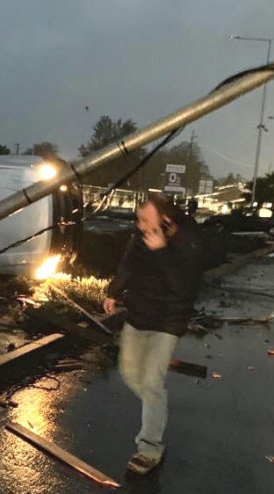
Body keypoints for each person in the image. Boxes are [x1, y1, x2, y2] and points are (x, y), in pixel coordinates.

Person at [103, 194, 202, 475]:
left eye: (146, 219)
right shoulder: (139, 237)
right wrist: (113, 291)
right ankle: (155, 406)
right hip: (139, 315)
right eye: (138, 218)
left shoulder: (186, 242)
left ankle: (149, 448)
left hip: (168, 321)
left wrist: (161, 252)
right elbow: (128, 265)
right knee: (130, 373)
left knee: (151, 380)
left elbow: (185, 287)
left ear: (165, 219)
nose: (140, 224)